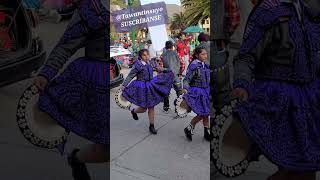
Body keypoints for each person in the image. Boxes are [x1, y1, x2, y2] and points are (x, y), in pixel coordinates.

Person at [232, 0, 320, 179]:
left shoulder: (307, 10)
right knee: (296, 169)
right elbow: (246, 56)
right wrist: (242, 84)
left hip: (309, 99)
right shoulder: (268, 11)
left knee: (308, 168)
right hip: (280, 102)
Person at [34, 0, 109, 180]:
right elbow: (66, 46)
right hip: (95, 85)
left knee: (109, 145)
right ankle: (76, 159)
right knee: (106, 145)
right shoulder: (89, 9)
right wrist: (46, 73)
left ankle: (77, 158)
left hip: (115, 83)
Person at [121, 49, 174, 134]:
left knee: (151, 106)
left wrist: (167, 70)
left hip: (150, 86)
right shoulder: (137, 65)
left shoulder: (151, 63)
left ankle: (151, 126)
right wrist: (124, 85)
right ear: (140, 57)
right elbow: (130, 76)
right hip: (141, 88)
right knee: (143, 109)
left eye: (147, 55)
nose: (147, 57)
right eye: (144, 55)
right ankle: (133, 111)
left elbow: (158, 68)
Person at [183, 46, 211, 141]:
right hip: (197, 92)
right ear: (197, 55)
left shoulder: (205, 64)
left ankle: (207, 132)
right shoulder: (193, 65)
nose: (205, 56)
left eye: (206, 54)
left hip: (206, 90)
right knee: (202, 113)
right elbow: (186, 79)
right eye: (203, 54)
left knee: (207, 112)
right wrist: (185, 89)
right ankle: (189, 127)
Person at [161, 41, 182, 113]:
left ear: (166, 46)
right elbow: (182, 63)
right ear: (172, 46)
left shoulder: (163, 55)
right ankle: (178, 108)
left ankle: (166, 107)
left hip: (167, 76)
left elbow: (161, 67)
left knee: (166, 92)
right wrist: (180, 73)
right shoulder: (176, 53)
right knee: (179, 92)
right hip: (176, 75)